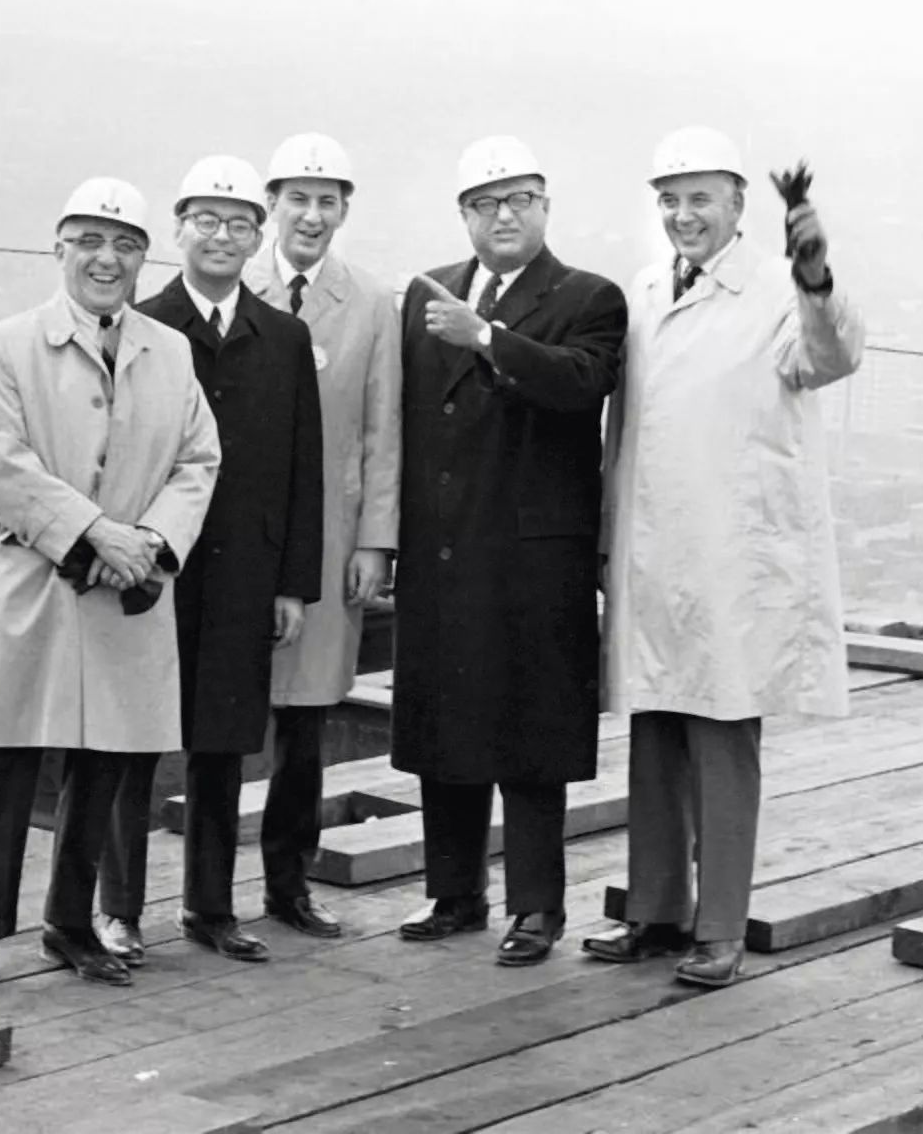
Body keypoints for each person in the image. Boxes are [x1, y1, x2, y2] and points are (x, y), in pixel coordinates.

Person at [587, 126, 864, 987]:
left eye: (701, 198)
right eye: (668, 200)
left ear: (739, 204)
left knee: (720, 731)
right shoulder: (640, 291)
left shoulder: (781, 288)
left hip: (730, 552)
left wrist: (817, 275)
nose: (683, 216)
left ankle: (720, 928)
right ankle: (657, 914)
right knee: (655, 728)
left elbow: (830, 355)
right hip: (651, 546)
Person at [0, 177, 220, 1001]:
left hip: (125, 586)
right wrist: (97, 532)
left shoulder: (168, 349)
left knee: (103, 763)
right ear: (58, 248)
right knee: (4, 764)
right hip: (34, 583)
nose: (107, 259)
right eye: (89, 241)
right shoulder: (7, 343)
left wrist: (152, 542)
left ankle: (69, 925)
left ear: (143, 257)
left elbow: (199, 459)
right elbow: (2, 462)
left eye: (125, 244)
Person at [392, 135, 627, 966]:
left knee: (531, 740)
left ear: (545, 207)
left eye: (520, 199)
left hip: (532, 559)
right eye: (487, 203)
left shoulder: (589, 296)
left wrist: (486, 337)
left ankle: (537, 909)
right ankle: (454, 892)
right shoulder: (428, 295)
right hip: (446, 549)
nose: (504, 216)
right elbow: (407, 425)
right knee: (445, 725)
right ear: (464, 216)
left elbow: (575, 382)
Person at [97, 153, 324, 964]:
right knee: (132, 742)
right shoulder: (141, 324)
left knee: (224, 742)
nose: (221, 237)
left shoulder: (285, 337)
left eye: (238, 224)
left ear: (256, 236)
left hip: (245, 572)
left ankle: (211, 909)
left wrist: (294, 583)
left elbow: (305, 466)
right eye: (205, 221)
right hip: (156, 568)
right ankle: (118, 908)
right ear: (178, 232)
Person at [241, 133, 401, 938]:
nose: (311, 214)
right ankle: (203, 890)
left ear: (344, 211)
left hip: (329, 538)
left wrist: (375, 540)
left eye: (327, 200)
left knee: (303, 723)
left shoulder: (372, 302)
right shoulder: (230, 281)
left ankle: (288, 885)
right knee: (215, 714)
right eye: (297, 198)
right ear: (271, 206)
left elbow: (384, 429)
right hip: (235, 537)